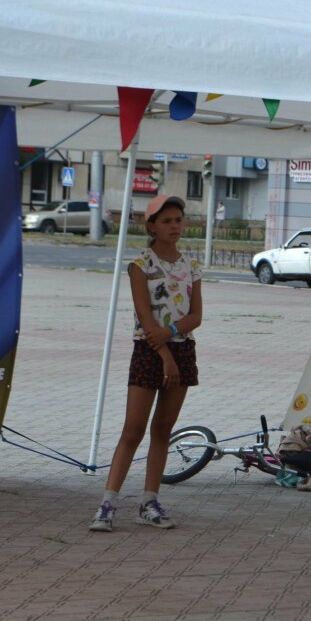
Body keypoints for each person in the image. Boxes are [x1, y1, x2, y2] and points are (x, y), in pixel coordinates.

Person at [91, 195, 202, 532]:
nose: (174, 227)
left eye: (178, 220)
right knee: (133, 429)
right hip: (149, 351)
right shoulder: (140, 265)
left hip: (181, 350)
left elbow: (196, 316)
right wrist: (165, 354)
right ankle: (108, 503)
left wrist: (172, 334)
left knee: (162, 430)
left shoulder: (191, 267)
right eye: (166, 221)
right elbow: (144, 317)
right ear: (151, 226)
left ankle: (149, 500)